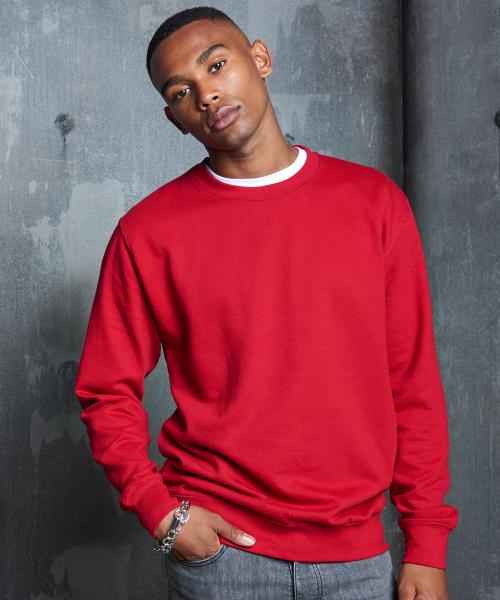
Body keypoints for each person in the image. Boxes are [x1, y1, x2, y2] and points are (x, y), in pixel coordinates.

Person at [74, 6, 459, 599]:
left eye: (216, 66)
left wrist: (426, 544)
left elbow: (411, 382)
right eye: (182, 92)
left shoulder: (373, 203)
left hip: (357, 559)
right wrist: (159, 512)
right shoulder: (147, 233)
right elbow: (105, 391)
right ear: (175, 119)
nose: (206, 95)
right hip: (220, 559)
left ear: (260, 58)